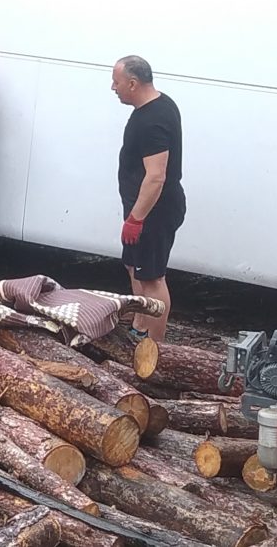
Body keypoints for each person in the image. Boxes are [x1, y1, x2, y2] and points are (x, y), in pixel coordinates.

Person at [112, 55, 185, 343]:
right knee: (133, 266)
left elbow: (156, 176)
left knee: (152, 278)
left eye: (116, 82)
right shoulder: (156, 105)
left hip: (154, 211)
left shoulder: (153, 120)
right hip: (142, 209)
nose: (112, 87)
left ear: (133, 83)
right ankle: (140, 325)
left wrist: (136, 219)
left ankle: (156, 349)